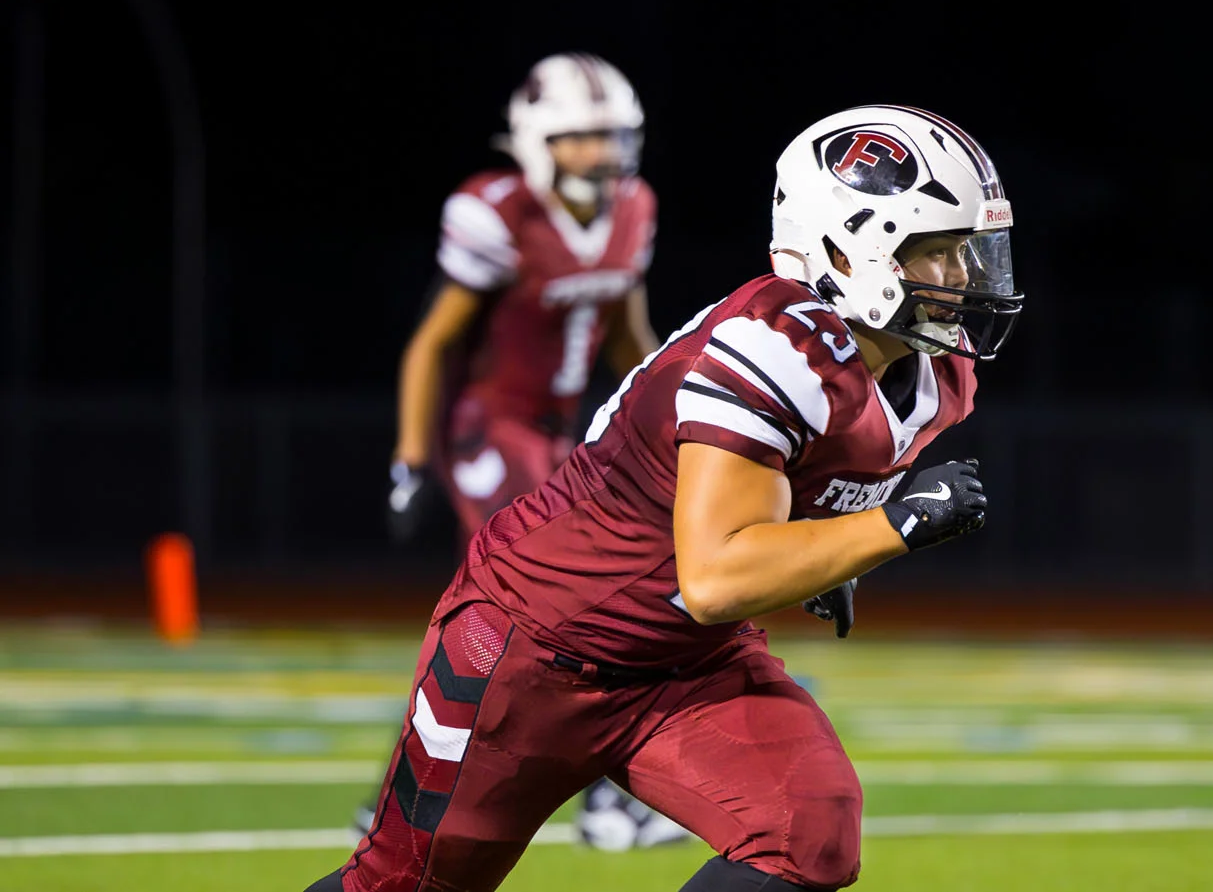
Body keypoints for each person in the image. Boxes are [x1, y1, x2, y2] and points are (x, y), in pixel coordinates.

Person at [307, 103, 1022, 892]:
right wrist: (894, 524)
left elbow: (787, 498)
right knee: (403, 885)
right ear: (849, 253)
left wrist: (828, 549)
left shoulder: (936, 378)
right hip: (536, 648)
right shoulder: (769, 349)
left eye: (966, 253)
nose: (964, 278)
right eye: (938, 253)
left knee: (807, 827)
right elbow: (715, 577)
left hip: (684, 665)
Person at [369, 51, 686, 851]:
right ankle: (597, 802)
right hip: (490, 423)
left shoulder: (633, 208)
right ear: (538, 138)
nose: (600, 155)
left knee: (550, 611)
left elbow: (628, 338)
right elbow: (433, 343)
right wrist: (411, 456)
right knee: (553, 610)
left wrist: (682, 418)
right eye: (580, 138)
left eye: (610, 137)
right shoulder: (496, 211)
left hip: (565, 431)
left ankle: (414, 797)